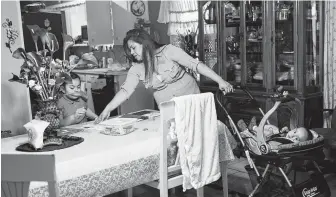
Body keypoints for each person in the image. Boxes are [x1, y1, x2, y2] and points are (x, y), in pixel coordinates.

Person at [95, 29, 233, 123]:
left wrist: (220, 81)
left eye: (133, 47)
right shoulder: (136, 69)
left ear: (144, 43)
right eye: (129, 50)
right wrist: (107, 109)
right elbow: (125, 91)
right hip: (170, 111)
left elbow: (195, 65)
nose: (131, 52)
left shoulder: (168, 51)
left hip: (192, 105)